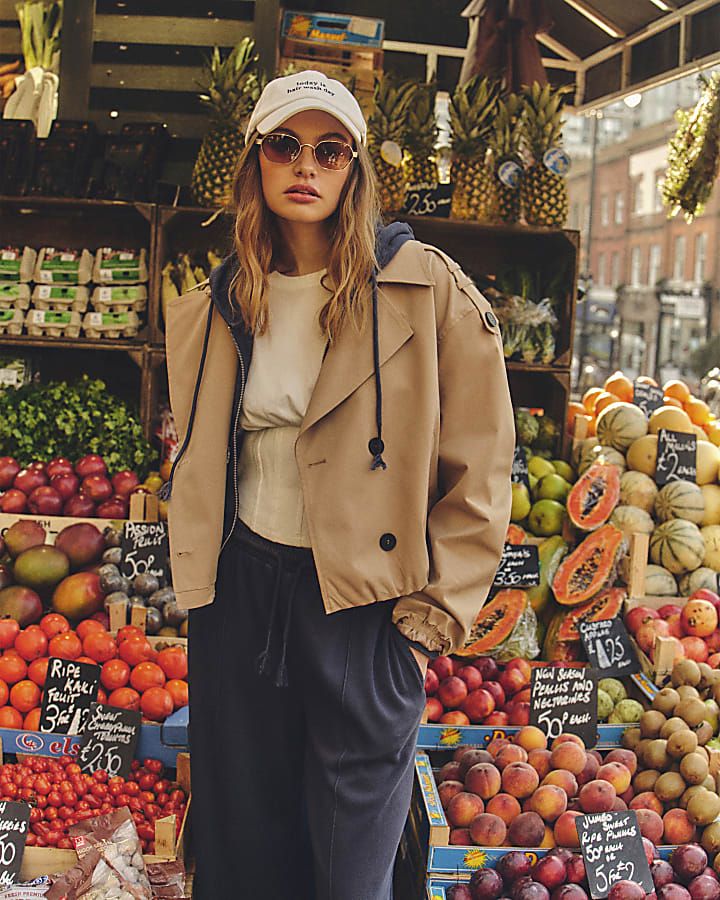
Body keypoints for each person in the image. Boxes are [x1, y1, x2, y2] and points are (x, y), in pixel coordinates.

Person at [163, 70, 514, 900]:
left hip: (367, 608)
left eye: (330, 149)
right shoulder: (221, 298)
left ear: (355, 167)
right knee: (242, 844)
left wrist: (431, 617)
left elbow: (484, 460)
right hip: (243, 594)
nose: (305, 165)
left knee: (349, 861)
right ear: (256, 161)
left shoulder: (424, 286)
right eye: (284, 144)